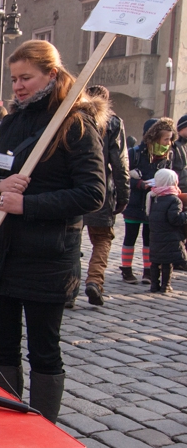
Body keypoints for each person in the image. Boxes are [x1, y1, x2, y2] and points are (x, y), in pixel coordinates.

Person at [0, 40, 105, 448]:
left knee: (43, 348)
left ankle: (45, 447)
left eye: (25, 78)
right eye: (13, 78)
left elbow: (92, 194)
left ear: (50, 74)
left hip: (48, 258)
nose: (18, 86)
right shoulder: (11, 121)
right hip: (2, 256)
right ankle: (10, 436)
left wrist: (29, 205)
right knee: (0, 346)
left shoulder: (75, 124)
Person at [80, 85, 130, 306]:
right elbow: (120, 163)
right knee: (102, 238)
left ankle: (69, 290)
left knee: (71, 239)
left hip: (74, 185)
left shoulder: (76, 117)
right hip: (101, 186)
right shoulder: (113, 122)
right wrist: (123, 194)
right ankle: (94, 281)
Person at [121, 118, 177, 284]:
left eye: (170, 139)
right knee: (130, 236)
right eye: (165, 139)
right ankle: (126, 268)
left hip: (154, 205)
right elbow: (122, 177)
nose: (168, 143)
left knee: (149, 238)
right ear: (154, 137)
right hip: (134, 202)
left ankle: (148, 270)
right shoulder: (135, 153)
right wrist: (139, 183)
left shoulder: (167, 156)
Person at [146, 169, 187, 293]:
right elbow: (175, 219)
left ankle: (154, 285)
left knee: (155, 262)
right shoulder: (174, 199)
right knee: (167, 263)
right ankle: (165, 285)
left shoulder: (153, 197)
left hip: (155, 236)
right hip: (170, 237)